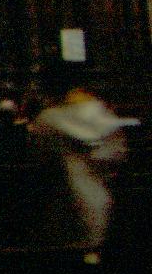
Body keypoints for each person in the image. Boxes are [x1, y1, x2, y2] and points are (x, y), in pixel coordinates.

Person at [27, 62, 127, 262]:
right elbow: (117, 154)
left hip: (63, 200)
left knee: (66, 257)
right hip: (98, 195)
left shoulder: (47, 119)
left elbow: (38, 157)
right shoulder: (99, 111)